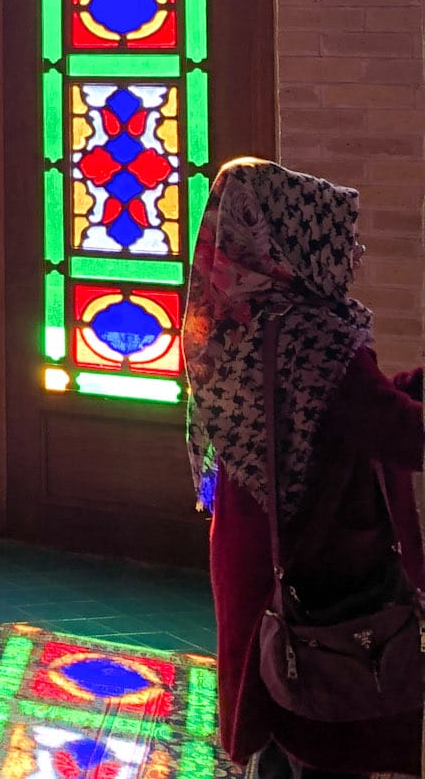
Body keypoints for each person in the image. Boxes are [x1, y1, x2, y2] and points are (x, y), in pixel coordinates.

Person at [185, 157, 424, 779]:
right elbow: (399, 435)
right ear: (292, 239)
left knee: (275, 696)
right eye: (340, 237)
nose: (353, 253)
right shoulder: (317, 338)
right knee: (325, 712)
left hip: (257, 547)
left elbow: (340, 416)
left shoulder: (245, 319)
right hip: (324, 560)